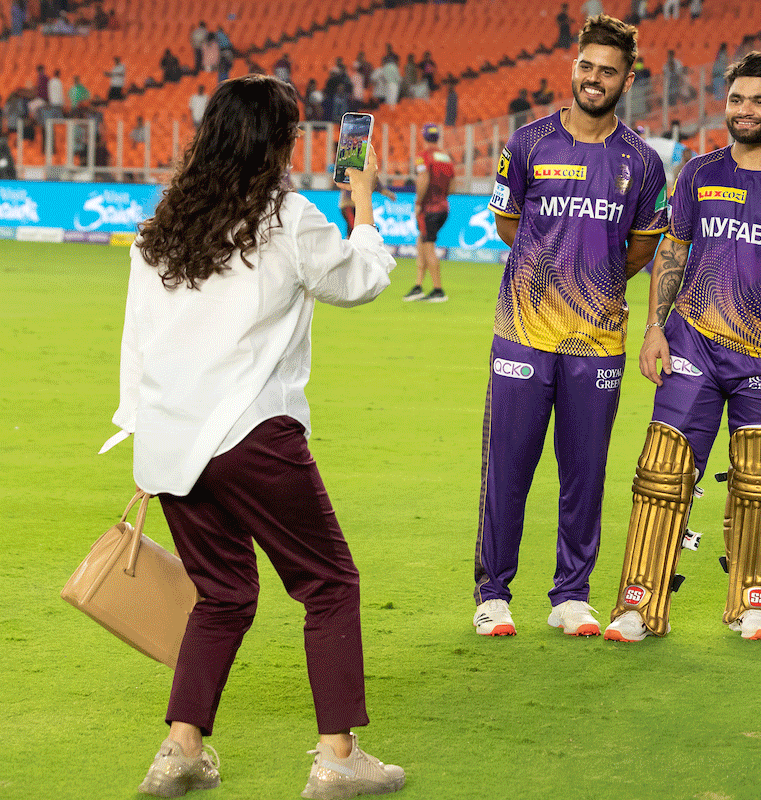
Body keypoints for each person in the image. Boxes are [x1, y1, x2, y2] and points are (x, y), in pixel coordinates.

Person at [113, 75, 405, 800]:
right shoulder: (286, 215)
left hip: (175, 440)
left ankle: (181, 751)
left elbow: (136, 343)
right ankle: (337, 757)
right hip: (250, 431)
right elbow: (360, 281)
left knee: (222, 595)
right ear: (277, 143)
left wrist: (143, 440)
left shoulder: (162, 226)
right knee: (328, 583)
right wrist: (364, 200)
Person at [603, 51, 761, 643]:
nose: (745, 110)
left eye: (759, 100)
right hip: (694, 344)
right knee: (663, 471)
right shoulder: (699, 173)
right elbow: (672, 253)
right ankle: (638, 604)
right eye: (737, 99)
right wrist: (655, 328)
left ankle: (754, 603)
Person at [476, 14, 668, 638]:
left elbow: (642, 247)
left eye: (608, 71)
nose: (594, 78)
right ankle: (493, 594)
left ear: (626, 80)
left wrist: (598, 282)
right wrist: (548, 269)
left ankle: (571, 596)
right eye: (587, 66)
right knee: (508, 467)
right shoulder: (528, 143)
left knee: (584, 470)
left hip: (597, 341)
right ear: (575, 67)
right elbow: (509, 227)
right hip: (524, 332)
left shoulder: (641, 161)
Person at [402, 123, 455, 302]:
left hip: (429, 209)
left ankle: (438, 290)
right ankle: (418, 286)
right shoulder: (446, 157)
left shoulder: (423, 156)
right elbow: (453, 183)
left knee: (428, 247)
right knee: (422, 243)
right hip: (443, 207)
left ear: (423, 137)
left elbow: (423, 179)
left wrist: (418, 202)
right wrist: (442, 196)